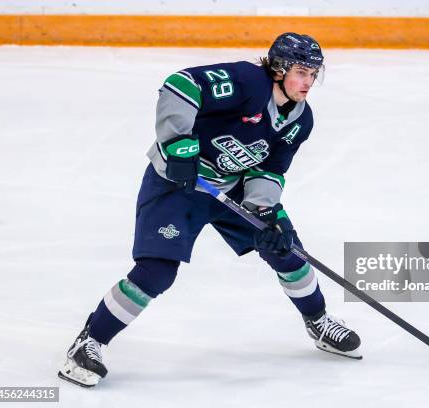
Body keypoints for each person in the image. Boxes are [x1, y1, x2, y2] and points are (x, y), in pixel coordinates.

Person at [58, 32, 361, 388]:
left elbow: (270, 169)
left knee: (287, 250)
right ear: (278, 69)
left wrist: (264, 212)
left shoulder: (300, 120)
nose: (308, 82)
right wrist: (178, 144)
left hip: (229, 188)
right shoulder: (247, 82)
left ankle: (319, 321)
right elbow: (181, 85)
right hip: (177, 185)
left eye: (313, 74)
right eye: (300, 72)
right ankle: (90, 340)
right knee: (157, 272)